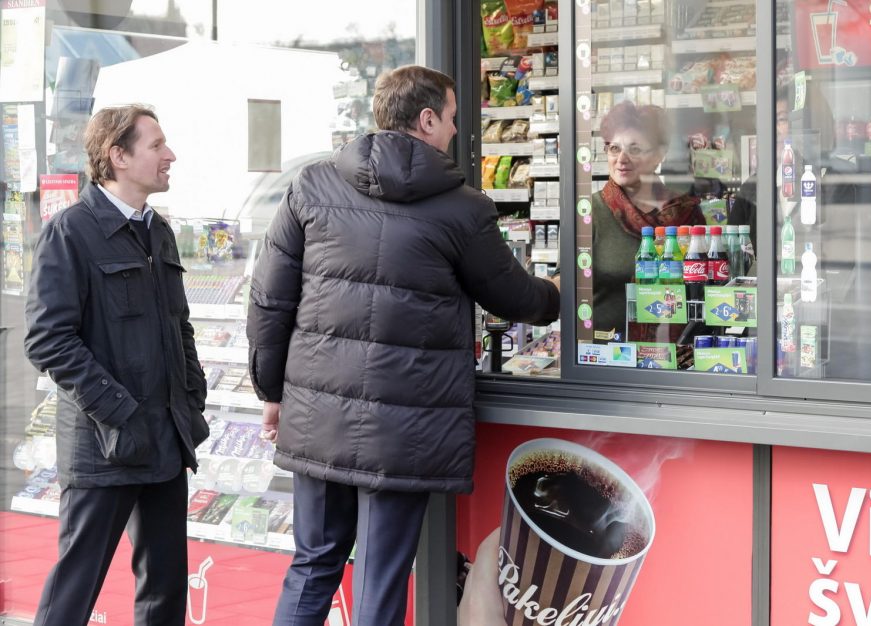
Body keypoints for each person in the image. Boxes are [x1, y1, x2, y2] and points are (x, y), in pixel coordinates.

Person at [247, 64, 560, 626]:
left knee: (313, 564)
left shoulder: (311, 187)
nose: (454, 132)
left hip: (317, 416)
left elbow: (269, 301)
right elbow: (513, 297)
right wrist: (559, 295)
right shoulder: (463, 207)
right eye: (452, 119)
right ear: (426, 119)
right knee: (379, 580)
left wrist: (272, 391)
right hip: (404, 428)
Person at [24, 105, 209, 626]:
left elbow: (179, 326)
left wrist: (190, 397)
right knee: (72, 595)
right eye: (156, 145)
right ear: (118, 157)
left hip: (165, 443)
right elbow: (47, 340)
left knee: (165, 593)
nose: (169, 155)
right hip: (104, 449)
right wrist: (121, 411)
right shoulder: (70, 233)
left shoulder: (158, 231)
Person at [591, 101, 705, 343]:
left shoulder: (687, 214)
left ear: (658, 155)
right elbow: (565, 281)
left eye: (634, 149)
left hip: (677, 356)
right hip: (607, 356)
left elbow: (705, 285)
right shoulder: (591, 211)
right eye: (614, 148)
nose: (622, 159)